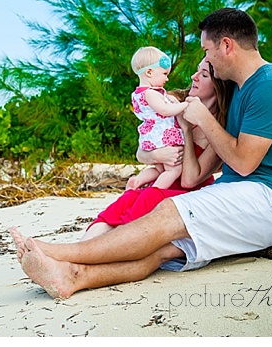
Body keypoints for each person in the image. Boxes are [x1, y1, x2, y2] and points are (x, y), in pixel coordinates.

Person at [10, 8, 272, 299]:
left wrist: (203, 119)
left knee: (170, 212)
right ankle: (73, 276)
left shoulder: (270, 86)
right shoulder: (239, 89)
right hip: (248, 194)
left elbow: (243, 161)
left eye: (207, 50)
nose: (206, 58)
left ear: (226, 45)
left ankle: (56, 252)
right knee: (163, 249)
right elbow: (199, 159)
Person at [82, 59, 234, 241]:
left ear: (219, 85)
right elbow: (142, 152)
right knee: (123, 203)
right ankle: (79, 250)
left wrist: (186, 130)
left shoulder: (219, 128)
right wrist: (155, 155)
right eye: (196, 71)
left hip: (185, 194)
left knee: (145, 201)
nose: (194, 77)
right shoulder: (170, 101)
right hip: (159, 181)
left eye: (203, 75)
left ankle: (103, 251)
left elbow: (189, 181)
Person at [127, 46, 189, 190]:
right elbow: (165, 110)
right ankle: (155, 191)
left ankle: (137, 181)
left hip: (152, 136)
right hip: (163, 136)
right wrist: (185, 105)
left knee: (160, 170)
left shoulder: (138, 94)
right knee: (173, 170)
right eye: (164, 74)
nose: (167, 78)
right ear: (149, 72)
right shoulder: (151, 93)